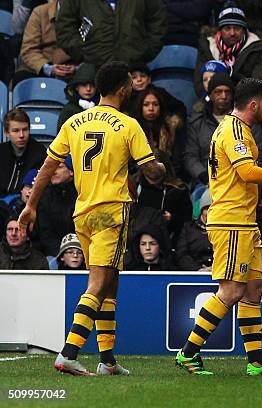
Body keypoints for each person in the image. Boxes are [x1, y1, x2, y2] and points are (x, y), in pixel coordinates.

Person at [18, 61, 166, 376]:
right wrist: (159, 167)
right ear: (124, 89)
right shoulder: (127, 124)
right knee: (98, 284)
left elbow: (47, 166)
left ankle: (107, 360)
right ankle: (68, 352)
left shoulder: (74, 122)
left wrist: (31, 205)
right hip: (111, 211)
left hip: (83, 212)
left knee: (110, 283)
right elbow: (152, 171)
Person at [174, 78, 262, 376]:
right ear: (253, 105)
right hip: (231, 222)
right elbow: (246, 171)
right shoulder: (234, 131)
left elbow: (243, 173)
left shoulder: (239, 130)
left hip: (245, 222)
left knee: (253, 290)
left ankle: (257, 361)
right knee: (232, 290)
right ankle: (188, 352)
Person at [55, 0, 167, 68]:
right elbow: (65, 28)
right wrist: (85, 53)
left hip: (133, 68)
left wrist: (144, 51)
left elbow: (158, 21)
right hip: (95, 68)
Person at [192, 4, 262, 96]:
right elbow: (199, 83)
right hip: (212, 100)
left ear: (244, 30)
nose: (232, 33)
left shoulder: (257, 48)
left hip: (243, 102)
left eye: (237, 28)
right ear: (220, 30)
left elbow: (258, 85)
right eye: (227, 28)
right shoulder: (207, 46)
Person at [14, 0, 77, 86]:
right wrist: (48, 68)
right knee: (20, 79)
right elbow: (28, 49)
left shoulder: (87, 17)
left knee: (89, 79)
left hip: (73, 69)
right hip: (40, 66)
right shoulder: (40, 12)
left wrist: (77, 68)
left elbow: (93, 49)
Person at [134, 86, 185, 179]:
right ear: (140, 107)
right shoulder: (133, 129)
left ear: (160, 107)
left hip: (169, 177)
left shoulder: (170, 128)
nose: (151, 108)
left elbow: (177, 161)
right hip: (139, 179)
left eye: (155, 104)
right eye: (146, 104)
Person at [0, 108, 46, 200]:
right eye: (16, 131)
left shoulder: (40, 153)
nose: (21, 135)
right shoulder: (1, 152)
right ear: (6, 133)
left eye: (25, 130)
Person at [36, 155, 77, 256]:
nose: (53, 171)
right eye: (52, 167)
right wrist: (61, 254)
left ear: (71, 171)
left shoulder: (83, 194)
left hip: (81, 253)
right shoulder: (45, 196)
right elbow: (45, 233)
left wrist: (75, 251)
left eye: (59, 167)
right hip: (55, 254)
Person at [175, 189, 214, 271]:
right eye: (208, 208)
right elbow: (181, 255)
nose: (211, 213)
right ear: (201, 210)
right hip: (194, 274)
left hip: (219, 274)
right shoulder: (188, 228)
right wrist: (198, 270)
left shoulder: (226, 229)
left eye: (214, 209)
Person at [57, 63, 98, 131]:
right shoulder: (69, 110)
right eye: (84, 85)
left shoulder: (102, 108)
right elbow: (61, 136)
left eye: (92, 85)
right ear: (76, 87)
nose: (88, 89)